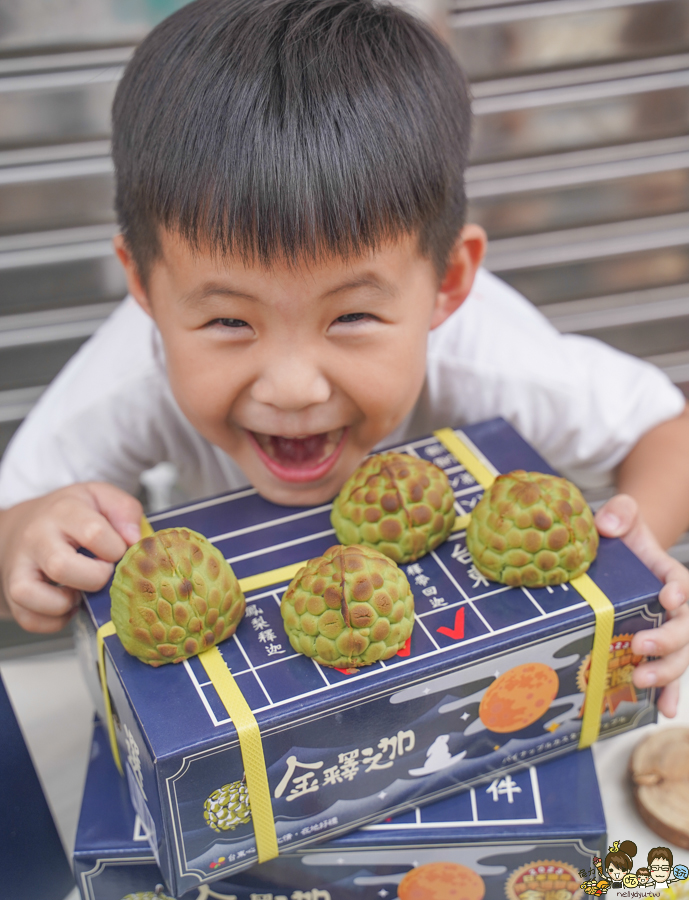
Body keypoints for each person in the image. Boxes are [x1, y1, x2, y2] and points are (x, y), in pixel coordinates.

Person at [0, 0, 688, 716]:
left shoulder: (490, 356)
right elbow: (13, 512)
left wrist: (634, 562)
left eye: (352, 316)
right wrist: (28, 547)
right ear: (143, 286)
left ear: (448, 283)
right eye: (230, 320)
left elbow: (668, 431)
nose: (293, 387)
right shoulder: (131, 374)